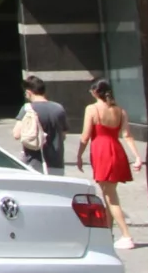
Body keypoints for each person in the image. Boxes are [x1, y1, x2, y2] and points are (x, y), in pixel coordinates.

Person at [77, 80, 141, 250]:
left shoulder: (92, 109)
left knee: (111, 197)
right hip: (116, 149)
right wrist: (137, 157)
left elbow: (85, 136)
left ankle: (126, 235)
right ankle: (106, 234)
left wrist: (79, 155)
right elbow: (127, 135)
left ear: (95, 92)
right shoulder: (120, 111)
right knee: (108, 194)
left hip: (101, 151)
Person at [16, 75, 67, 174]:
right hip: (56, 162)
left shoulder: (27, 108)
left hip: (33, 163)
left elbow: (16, 134)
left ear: (28, 92)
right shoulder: (59, 108)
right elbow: (63, 135)